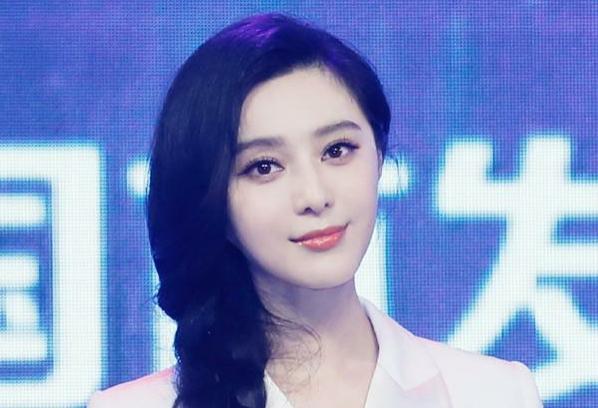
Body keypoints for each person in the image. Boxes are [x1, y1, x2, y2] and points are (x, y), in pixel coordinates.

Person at [88, 13, 543, 408]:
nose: (314, 194)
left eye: (337, 150)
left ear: (379, 155)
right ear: (211, 198)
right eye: (264, 166)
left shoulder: (494, 393)